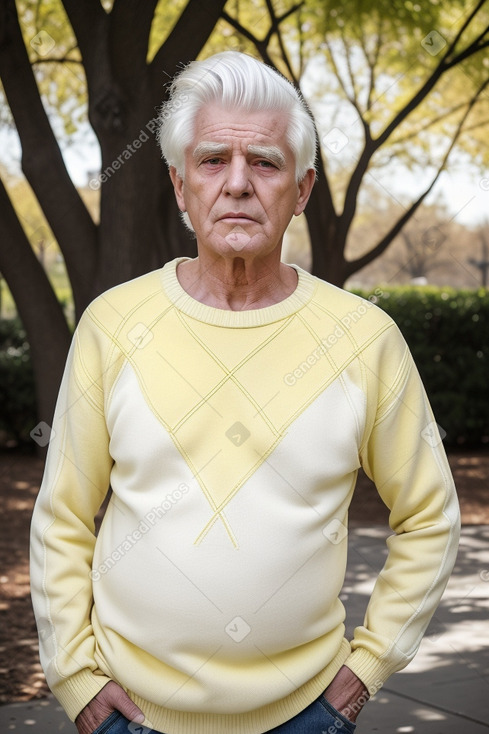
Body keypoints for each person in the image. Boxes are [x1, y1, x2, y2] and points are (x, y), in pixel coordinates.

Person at [30, 51, 460, 734]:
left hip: (306, 717)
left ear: (302, 189)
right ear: (178, 185)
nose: (236, 185)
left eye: (264, 162)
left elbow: (430, 517)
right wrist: (77, 681)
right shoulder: (112, 325)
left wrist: (367, 670)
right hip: (127, 719)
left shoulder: (362, 338)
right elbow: (62, 518)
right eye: (210, 162)